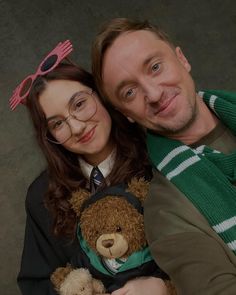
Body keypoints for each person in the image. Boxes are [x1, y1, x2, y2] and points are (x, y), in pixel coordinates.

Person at [10, 41, 169, 295]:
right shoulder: (41, 195)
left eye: (79, 104)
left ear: (101, 94)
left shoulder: (159, 159)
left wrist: (165, 286)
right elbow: (35, 284)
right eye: (58, 123)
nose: (77, 127)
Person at [91, 18, 236, 294]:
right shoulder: (165, 212)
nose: (155, 93)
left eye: (155, 67)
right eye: (130, 92)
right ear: (126, 114)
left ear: (182, 58)